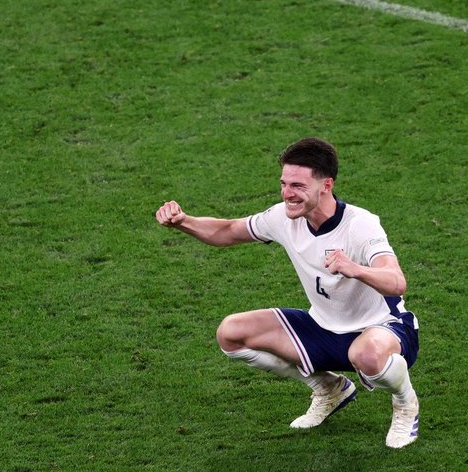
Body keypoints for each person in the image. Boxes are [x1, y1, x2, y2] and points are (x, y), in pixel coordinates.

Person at [154, 137, 420, 449]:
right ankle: (330, 388)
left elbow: (396, 281)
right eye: (284, 183)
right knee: (232, 333)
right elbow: (227, 231)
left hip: (382, 330)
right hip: (324, 327)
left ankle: (405, 404)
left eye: (297, 185)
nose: (287, 193)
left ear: (326, 185)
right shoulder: (283, 216)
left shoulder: (360, 225)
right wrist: (184, 222)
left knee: (365, 354)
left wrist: (355, 268)